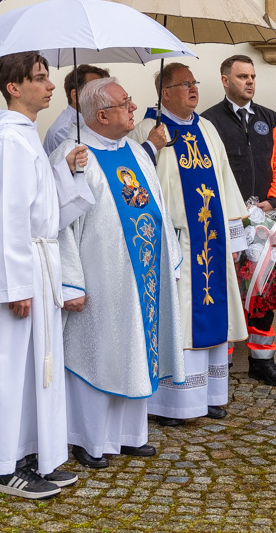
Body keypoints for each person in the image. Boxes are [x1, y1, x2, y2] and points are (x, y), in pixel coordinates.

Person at [0, 51, 93, 498]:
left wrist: (65, 171)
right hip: (21, 270)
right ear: (14, 87)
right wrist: (16, 286)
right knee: (13, 367)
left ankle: (30, 454)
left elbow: (42, 209)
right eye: (41, 78)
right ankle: (6, 468)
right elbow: (7, 218)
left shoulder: (26, 136)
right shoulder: (8, 140)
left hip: (37, 264)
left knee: (34, 370)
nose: (50, 86)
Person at [52, 77, 184, 468]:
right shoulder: (74, 156)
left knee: (134, 352)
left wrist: (168, 257)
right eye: (125, 103)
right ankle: (88, 439)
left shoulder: (134, 151)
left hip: (141, 275)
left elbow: (155, 203)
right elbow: (59, 225)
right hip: (99, 279)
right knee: (98, 354)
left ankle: (130, 434)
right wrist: (70, 282)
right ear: (102, 114)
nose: (133, 107)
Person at [132, 63, 248, 426]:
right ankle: (172, 403)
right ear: (165, 93)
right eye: (184, 84)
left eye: (194, 83)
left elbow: (224, 176)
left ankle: (209, 396)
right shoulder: (148, 130)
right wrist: (154, 146)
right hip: (175, 243)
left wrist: (233, 237)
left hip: (210, 241)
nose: (193, 89)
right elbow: (137, 183)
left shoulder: (207, 128)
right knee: (177, 320)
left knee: (211, 317)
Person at [201, 54, 276, 386]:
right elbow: (205, 169)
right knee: (228, 291)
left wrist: (273, 199)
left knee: (264, 289)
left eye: (253, 76)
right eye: (242, 76)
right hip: (226, 222)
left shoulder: (269, 118)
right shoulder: (208, 121)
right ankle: (220, 367)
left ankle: (262, 361)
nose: (250, 82)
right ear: (225, 80)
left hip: (265, 222)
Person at [42, 64, 109, 156]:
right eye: (96, 90)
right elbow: (91, 162)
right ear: (75, 95)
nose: (104, 96)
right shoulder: (64, 129)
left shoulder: (92, 120)